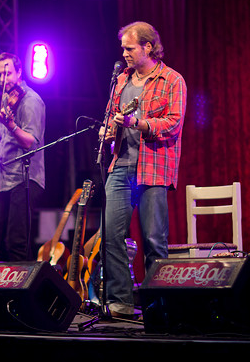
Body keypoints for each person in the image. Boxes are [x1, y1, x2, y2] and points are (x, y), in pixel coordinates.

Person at [102, 21, 187, 319]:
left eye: (129, 48)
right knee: (111, 237)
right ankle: (121, 303)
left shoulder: (172, 80)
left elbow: (173, 123)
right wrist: (107, 132)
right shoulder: (121, 80)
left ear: (148, 47)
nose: (123, 53)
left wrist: (138, 124)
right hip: (121, 165)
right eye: (122, 47)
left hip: (153, 167)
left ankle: (158, 307)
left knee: (153, 240)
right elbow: (112, 118)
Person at [0, 52, 46, 261]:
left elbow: (29, 141)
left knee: (16, 242)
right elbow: (2, 137)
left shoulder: (30, 101)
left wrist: (11, 125)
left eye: (7, 73)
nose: (3, 79)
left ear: (19, 72)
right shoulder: (6, 97)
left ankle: (18, 293)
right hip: (4, 179)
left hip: (25, 178)